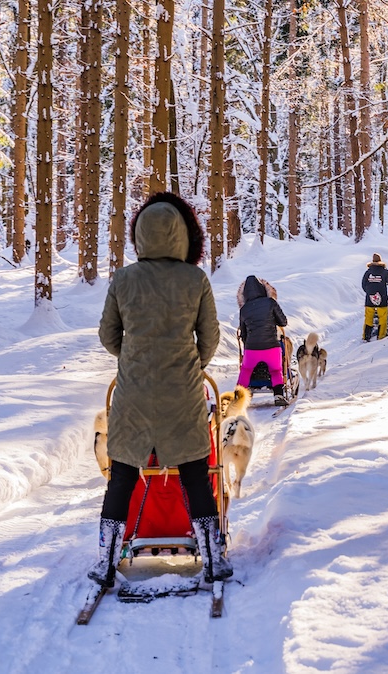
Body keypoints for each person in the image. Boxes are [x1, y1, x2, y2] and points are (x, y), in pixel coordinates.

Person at [93, 192, 231, 587]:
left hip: (133, 395)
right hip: (184, 393)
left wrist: (136, 359)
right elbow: (210, 338)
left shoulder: (124, 279)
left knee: (122, 476)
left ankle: (105, 561)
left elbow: (108, 335)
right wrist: (189, 366)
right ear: (184, 234)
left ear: (140, 235)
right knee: (194, 474)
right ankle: (214, 557)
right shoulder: (195, 280)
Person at [237, 274, 290, 406]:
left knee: (246, 370)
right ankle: (278, 395)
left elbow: (243, 334)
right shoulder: (270, 303)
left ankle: (238, 398)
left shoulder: (244, 309)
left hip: (252, 349)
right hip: (271, 347)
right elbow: (283, 322)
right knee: (275, 370)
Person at [362, 253, 388, 341]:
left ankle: (366, 337)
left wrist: (369, 291)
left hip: (369, 299)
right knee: (383, 318)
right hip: (382, 298)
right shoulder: (385, 271)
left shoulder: (368, 272)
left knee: (368, 318)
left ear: (372, 261)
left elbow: (363, 284)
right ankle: (381, 336)